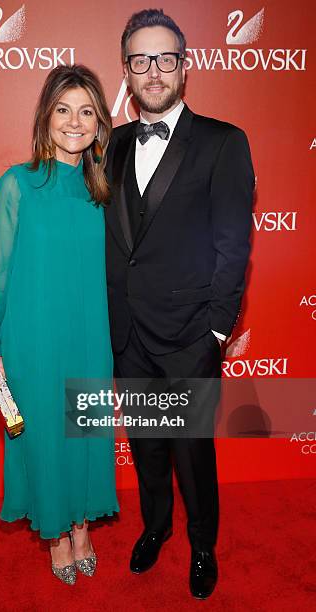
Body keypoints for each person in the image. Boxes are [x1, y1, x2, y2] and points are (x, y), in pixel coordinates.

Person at [105, 9, 254, 599]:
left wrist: (217, 330)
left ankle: (201, 544)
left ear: (184, 66)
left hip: (192, 333)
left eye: (166, 58)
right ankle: (156, 527)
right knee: (146, 447)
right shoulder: (110, 146)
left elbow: (233, 243)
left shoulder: (223, 142)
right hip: (128, 333)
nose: (154, 70)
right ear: (127, 71)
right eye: (141, 60)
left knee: (192, 452)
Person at [0, 64, 119, 585]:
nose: (74, 123)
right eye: (63, 110)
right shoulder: (17, 185)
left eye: (86, 112)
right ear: (45, 116)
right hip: (33, 340)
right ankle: (56, 535)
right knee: (46, 439)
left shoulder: (103, 193)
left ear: (100, 123)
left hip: (90, 340)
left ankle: (81, 527)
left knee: (85, 435)